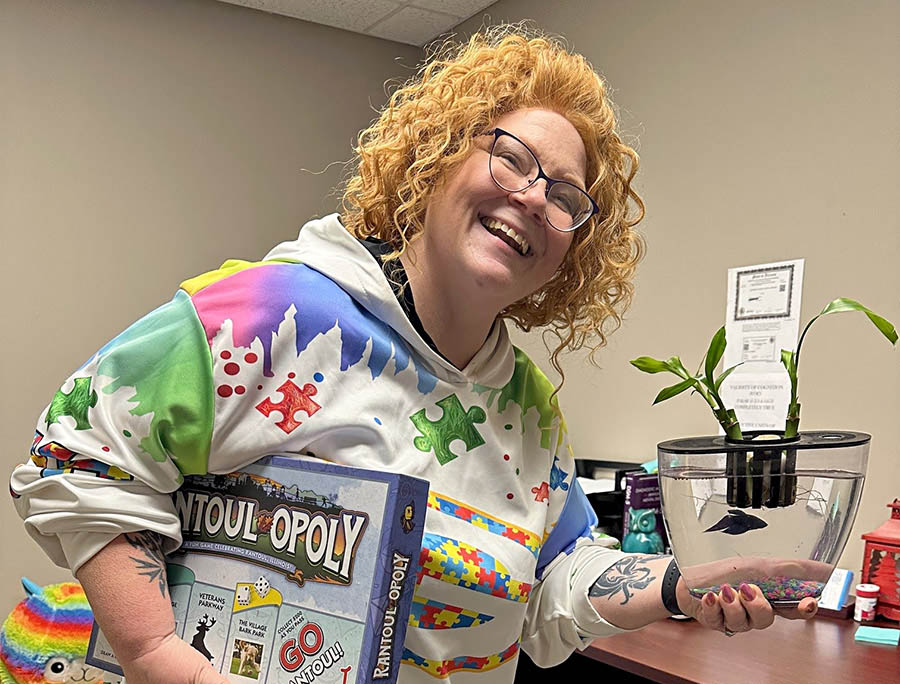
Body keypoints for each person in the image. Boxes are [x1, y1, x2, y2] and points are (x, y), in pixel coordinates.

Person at [9, 26, 816, 684]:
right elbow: (76, 457)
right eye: (512, 157)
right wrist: (157, 657)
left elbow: (555, 585)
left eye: (567, 199)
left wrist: (679, 586)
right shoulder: (273, 313)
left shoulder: (527, 406)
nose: (535, 197)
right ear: (433, 160)